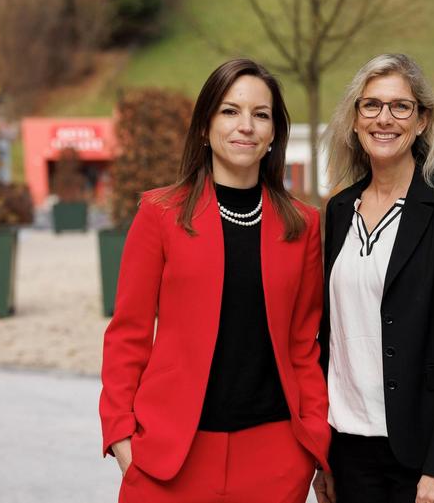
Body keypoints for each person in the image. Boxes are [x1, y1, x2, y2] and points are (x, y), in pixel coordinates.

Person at [99, 58, 330, 503]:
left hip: (275, 459)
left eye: (260, 114)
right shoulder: (160, 214)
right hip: (170, 458)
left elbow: (304, 345)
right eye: (230, 110)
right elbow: (128, 333)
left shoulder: (303, 225)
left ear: (273, 134)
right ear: (205, 126)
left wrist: (313, 443)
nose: (246, 125)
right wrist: (122, 437)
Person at [312, 53, 434, 503]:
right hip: (350, 451)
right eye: (371, 105)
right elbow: (331, 336)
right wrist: (323, 455)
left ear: (422, 121)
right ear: (355, 120)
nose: (385, 118)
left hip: (427, 457)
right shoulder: (340, 211)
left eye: (401, 106)